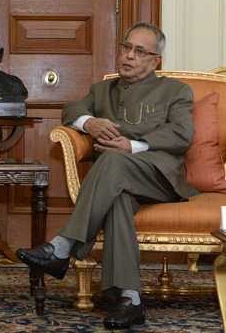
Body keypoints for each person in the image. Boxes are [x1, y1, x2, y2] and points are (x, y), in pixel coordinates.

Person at [15, 22, 198, 329]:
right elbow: (71, 109)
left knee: (113, 159)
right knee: (118, 200)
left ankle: (62, 247)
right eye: (126, 47)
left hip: (158, 176)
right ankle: (129, 298)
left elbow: (182, 133)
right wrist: (89, 124)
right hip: (116, 181)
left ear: (156, 61)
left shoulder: (176, 90)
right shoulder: (103, 90)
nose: (129, 56)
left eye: (140, 51)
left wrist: (134, 145)